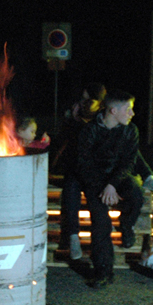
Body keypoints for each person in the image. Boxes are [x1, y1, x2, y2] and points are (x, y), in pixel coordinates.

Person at [76, 90, 153, 289]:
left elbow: (128, 162)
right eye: (128, 109)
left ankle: (126, 226)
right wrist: (103, 188)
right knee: (101, 224)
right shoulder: (90, 130)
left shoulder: (130, 130)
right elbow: (84, 164)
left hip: (118, 178)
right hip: (95, 181)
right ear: (113, 111)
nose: (132, 113)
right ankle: (103, 272)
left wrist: (113, 185)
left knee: (136, 194)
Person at [53, 83, 106, 260]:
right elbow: (63, 141)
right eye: (83, 100)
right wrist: (72, 120)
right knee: (70, 192)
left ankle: (98, 243)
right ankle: (73, 237)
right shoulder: (74, 118)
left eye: (88, 100)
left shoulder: (102, 120)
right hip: (75, 169)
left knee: (94, 199)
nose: (84, 103)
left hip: (95, 171)